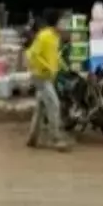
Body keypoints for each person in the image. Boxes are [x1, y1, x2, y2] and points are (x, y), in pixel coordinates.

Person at [25, 9, 71, 152]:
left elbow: (54, 56)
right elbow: (32, 54)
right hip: (40, 76)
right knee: (54, 104)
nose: (63, 25)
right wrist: (47, 67)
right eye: (61, 21)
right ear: (55, 22)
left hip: (48, 77)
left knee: (41, 107)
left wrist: (66, 68)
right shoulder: (44, 36)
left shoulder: (54, 37)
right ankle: (56, 139)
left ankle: (32, 138)